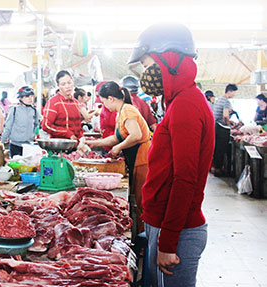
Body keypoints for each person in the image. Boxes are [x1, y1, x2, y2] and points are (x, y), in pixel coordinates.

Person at [129, 23, 214, 286]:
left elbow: (185, 179)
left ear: (168, 59)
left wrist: (167, 241)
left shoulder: (187, 104)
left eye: (146, 65)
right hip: (167, 224)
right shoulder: (180, 100)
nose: (146, 73)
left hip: (177, 230)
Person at [85, 81, 150, 235]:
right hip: (135, 158)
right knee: (137, 200)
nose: (104, 105)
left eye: (104, 101)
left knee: (142, 201)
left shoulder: (128, 110)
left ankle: (143, 238)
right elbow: (117, 137)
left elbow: (136, 135)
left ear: (111, 98)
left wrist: (119, 148)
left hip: (142, 159)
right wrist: (95, 143)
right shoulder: (121, 112)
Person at [42, 70, 83, 139]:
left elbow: (78, 125)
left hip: (76, 145)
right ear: (58, 86)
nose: (67, 86)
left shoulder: (76, 102)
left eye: (69, 83)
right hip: (60, 146)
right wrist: (67, 133)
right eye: (63, 84)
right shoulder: (53, 102)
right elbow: (46, 125)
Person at [1, 86, 38, 157]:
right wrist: (2, 142)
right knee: (16, 166)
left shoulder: (34, 111)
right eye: (27, 96)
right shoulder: (14, 110)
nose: (30, 98)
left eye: (31, 96)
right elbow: (8, 127)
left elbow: (35, 125)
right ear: (20, 98)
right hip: (15, 145)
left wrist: (32, 136)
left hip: (29, 146)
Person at [212, 83, 237, 176]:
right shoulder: (226, 101)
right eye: (234, 93)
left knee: (217, 148)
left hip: (216, 126)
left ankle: (216, 168)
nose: (234, 95)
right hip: (222, 128)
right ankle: (219, 170)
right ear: (229, 92)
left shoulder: (218, 100)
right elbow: (225, 115)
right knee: (221, 149)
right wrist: (228, 124)